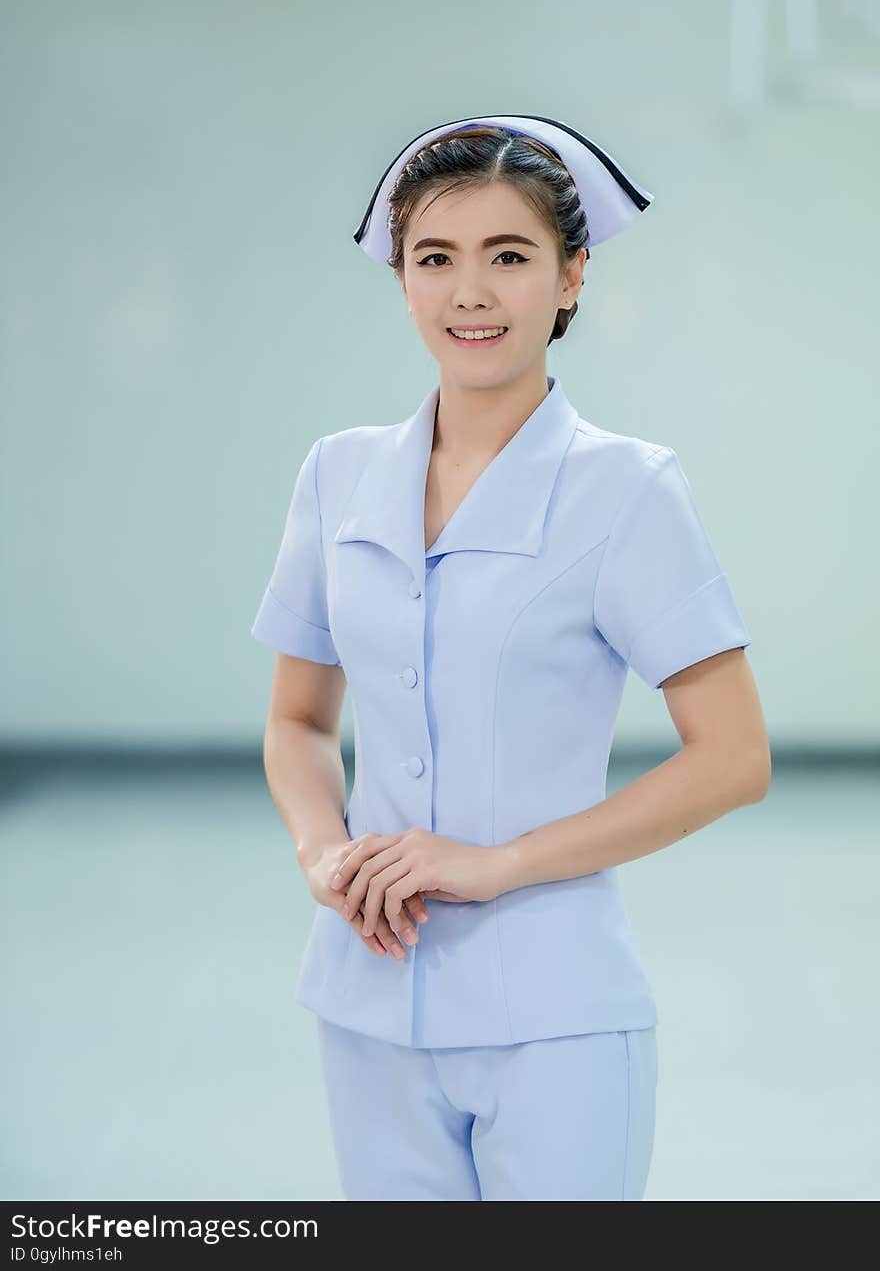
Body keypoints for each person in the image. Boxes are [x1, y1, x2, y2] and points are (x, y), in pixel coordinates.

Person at [251, 115, 771, 1201]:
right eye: (436, 259)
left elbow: (732, 758)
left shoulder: (626, 490)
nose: (470, 293)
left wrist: (490, 864)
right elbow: (299, 719)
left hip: (558, 1016)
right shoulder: (336, 476)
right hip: (368, 1003)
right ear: (402, 281)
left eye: (509, 256)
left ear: (571, 277)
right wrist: (323, 854)